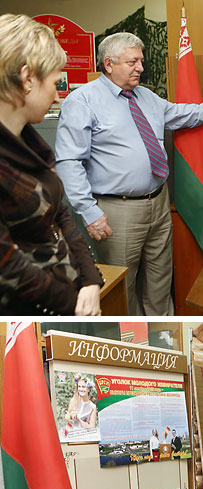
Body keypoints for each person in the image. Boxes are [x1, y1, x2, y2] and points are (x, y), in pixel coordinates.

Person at [55, 32, 203, 316]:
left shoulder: (146, 97)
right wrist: (88, 211)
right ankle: (132, 342)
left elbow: (183, 114)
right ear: (109, 64)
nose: (140, 67)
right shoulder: (83, 101)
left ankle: (164, 335)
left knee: (159, 280)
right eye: (133, 61)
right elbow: (69, 162)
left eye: (140, 61)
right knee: (123, 286)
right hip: (117, 210)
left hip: (158, 202)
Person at [0, 14, 103, 316]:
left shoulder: (28, 141)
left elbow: (61, 216)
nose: (58, 95)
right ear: (27, 78)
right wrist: (74, 306)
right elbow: (7, 265)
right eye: (56, 83)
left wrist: (90, 280)